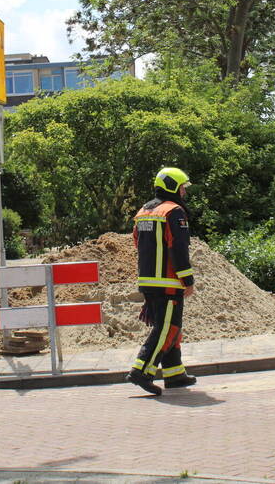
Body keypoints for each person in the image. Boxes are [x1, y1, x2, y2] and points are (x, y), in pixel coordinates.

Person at [125, 167, 197, 396]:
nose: (184, 192)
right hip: (168, 282)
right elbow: (178, 248)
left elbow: (137, 242)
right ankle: (141, 370)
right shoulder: (173, 211)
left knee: (170, 328)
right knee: (166, 329)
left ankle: (175, 374)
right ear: (173, 187)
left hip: (148, 280)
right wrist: (188, 279)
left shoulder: (143, 211)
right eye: (182, 187)